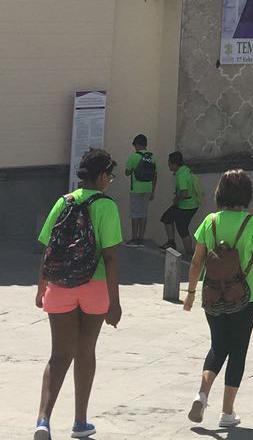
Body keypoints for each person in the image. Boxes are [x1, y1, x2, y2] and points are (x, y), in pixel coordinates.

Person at [34, 148, 122, 440]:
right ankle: (80, 421)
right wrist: (115, 302)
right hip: (94, 287)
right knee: (86, 351)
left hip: (60, 287)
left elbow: (49, 248)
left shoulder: (63, 202)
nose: (110, 179)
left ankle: (43, 420)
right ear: (100, 175)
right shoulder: (107, 206)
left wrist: (41, 286)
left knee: (59, 354)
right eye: (109, 174)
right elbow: (110, 257)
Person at [183, 169, 253, 428]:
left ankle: (201, 394)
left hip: (212, 293)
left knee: (217, 345)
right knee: (238, 350)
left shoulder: (210, 221)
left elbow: (196, 261)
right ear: (246, 194)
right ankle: (227, 412)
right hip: (246, 296)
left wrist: (191, 293)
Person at [160, 151, 201, 255]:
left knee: (178, 226)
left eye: (169, 163)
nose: (168, 165)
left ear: (174, 164)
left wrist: (176, 200)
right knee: (170, 220)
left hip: (186, 205)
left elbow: (184, 192)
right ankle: (177, 246)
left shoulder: (181, 174)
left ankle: (186, 251)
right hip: (192, 204)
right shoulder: (186, 170)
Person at [123, 134, 156, 247]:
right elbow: (155, 175)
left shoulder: (134, 156)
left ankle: (134, 238)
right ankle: (141, 238)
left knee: (135, 214)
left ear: (137, 145)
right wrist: (153, 190)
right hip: (148, 188)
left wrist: (133, 169)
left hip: (136, 189)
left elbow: (127, 172)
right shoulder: (152, 157)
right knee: (143, 214)